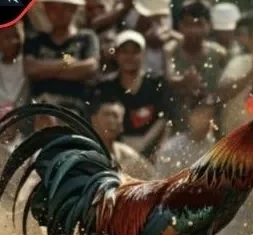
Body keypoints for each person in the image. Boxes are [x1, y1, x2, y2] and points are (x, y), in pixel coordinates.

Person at [97, 30, 175, 159]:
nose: (130, 56)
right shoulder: (105, 87)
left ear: (143, 54)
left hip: (153, 153)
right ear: (116, 55)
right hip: (116, 153)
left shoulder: (157, 84)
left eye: (135, 52)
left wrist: (158, 151)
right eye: (124, 51)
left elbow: (167, 120)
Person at [23, 0, 99, 110]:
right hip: (41, 112)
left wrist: (45, 70)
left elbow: (90, 67)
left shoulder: (87, 37)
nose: (59, 13)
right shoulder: (35, 40)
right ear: (45, 9)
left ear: (74, 9)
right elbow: (31, 69)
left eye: (65, 7)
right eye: (53, 7)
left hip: (75, 113)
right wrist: (68, 63)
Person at [165, 0, 228, 125]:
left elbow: (226, 88)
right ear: (180, 25)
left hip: (212, 123)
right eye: (188, 24)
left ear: (209, 25)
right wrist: (184, 81)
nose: (193, 30)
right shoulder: (171, 50)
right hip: (179, 123)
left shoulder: (219, 53)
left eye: (199, 24)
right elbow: (169, 78)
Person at [88, 89, 153, 177]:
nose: (111, 121)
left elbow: (152, 178)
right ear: (94, 120)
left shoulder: (129, 157)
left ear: (121, 124)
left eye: (115, 116)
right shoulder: (84, 151)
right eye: (106, 114)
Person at [155, 98, 218, 177]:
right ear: (191, 116)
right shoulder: (171, 149)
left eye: (210, 117)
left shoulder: (212, 146)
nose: (207, 121)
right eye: (202, 115)